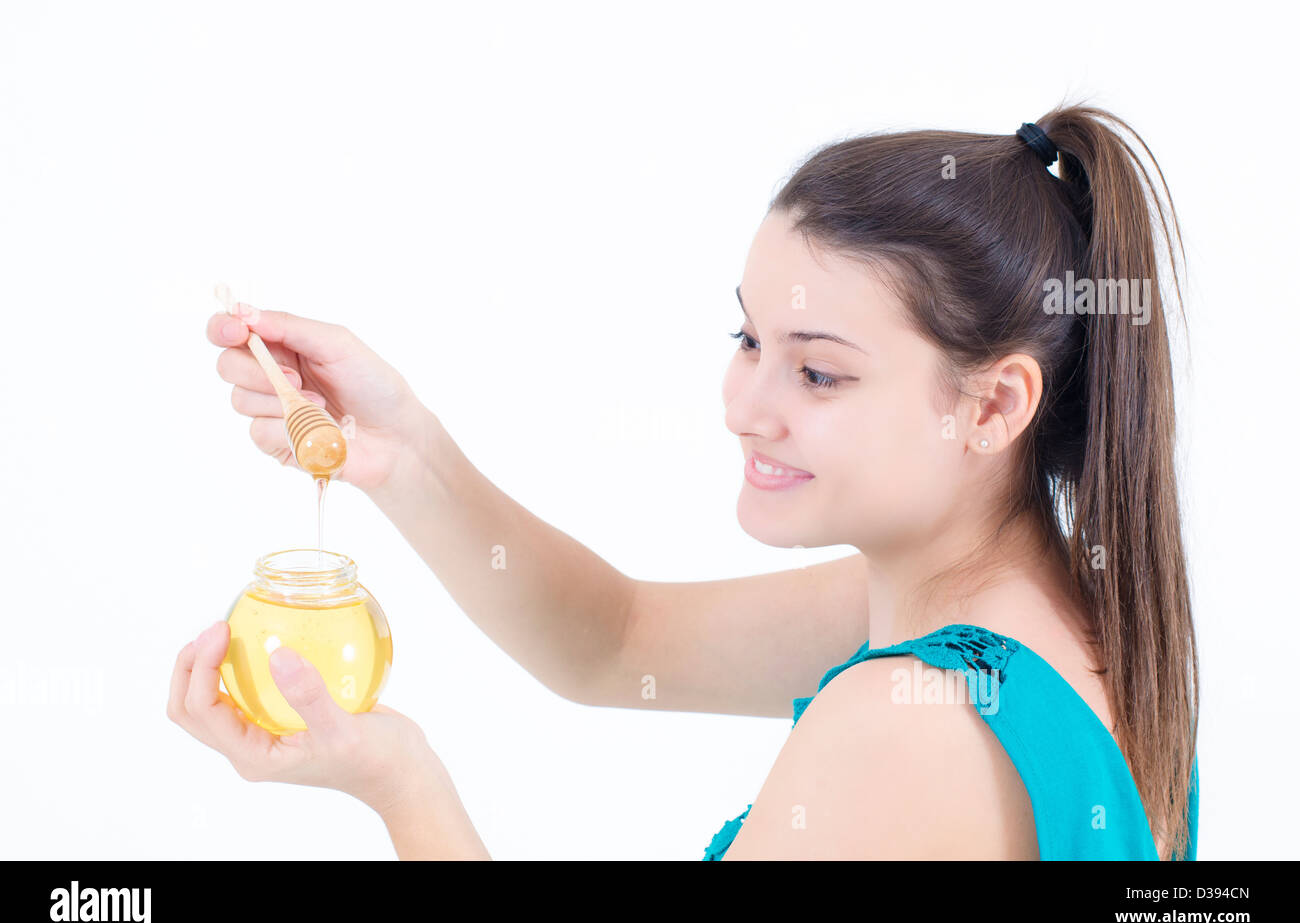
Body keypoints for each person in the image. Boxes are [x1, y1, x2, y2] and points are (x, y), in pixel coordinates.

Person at [168, 102, 1200, 860]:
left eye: (818, 372)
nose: (744, 405)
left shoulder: (905, 719)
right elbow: (615, 641)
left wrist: (400, 784)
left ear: (992, 405)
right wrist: (405, 450)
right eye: (747, 338)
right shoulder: (1065, 621)